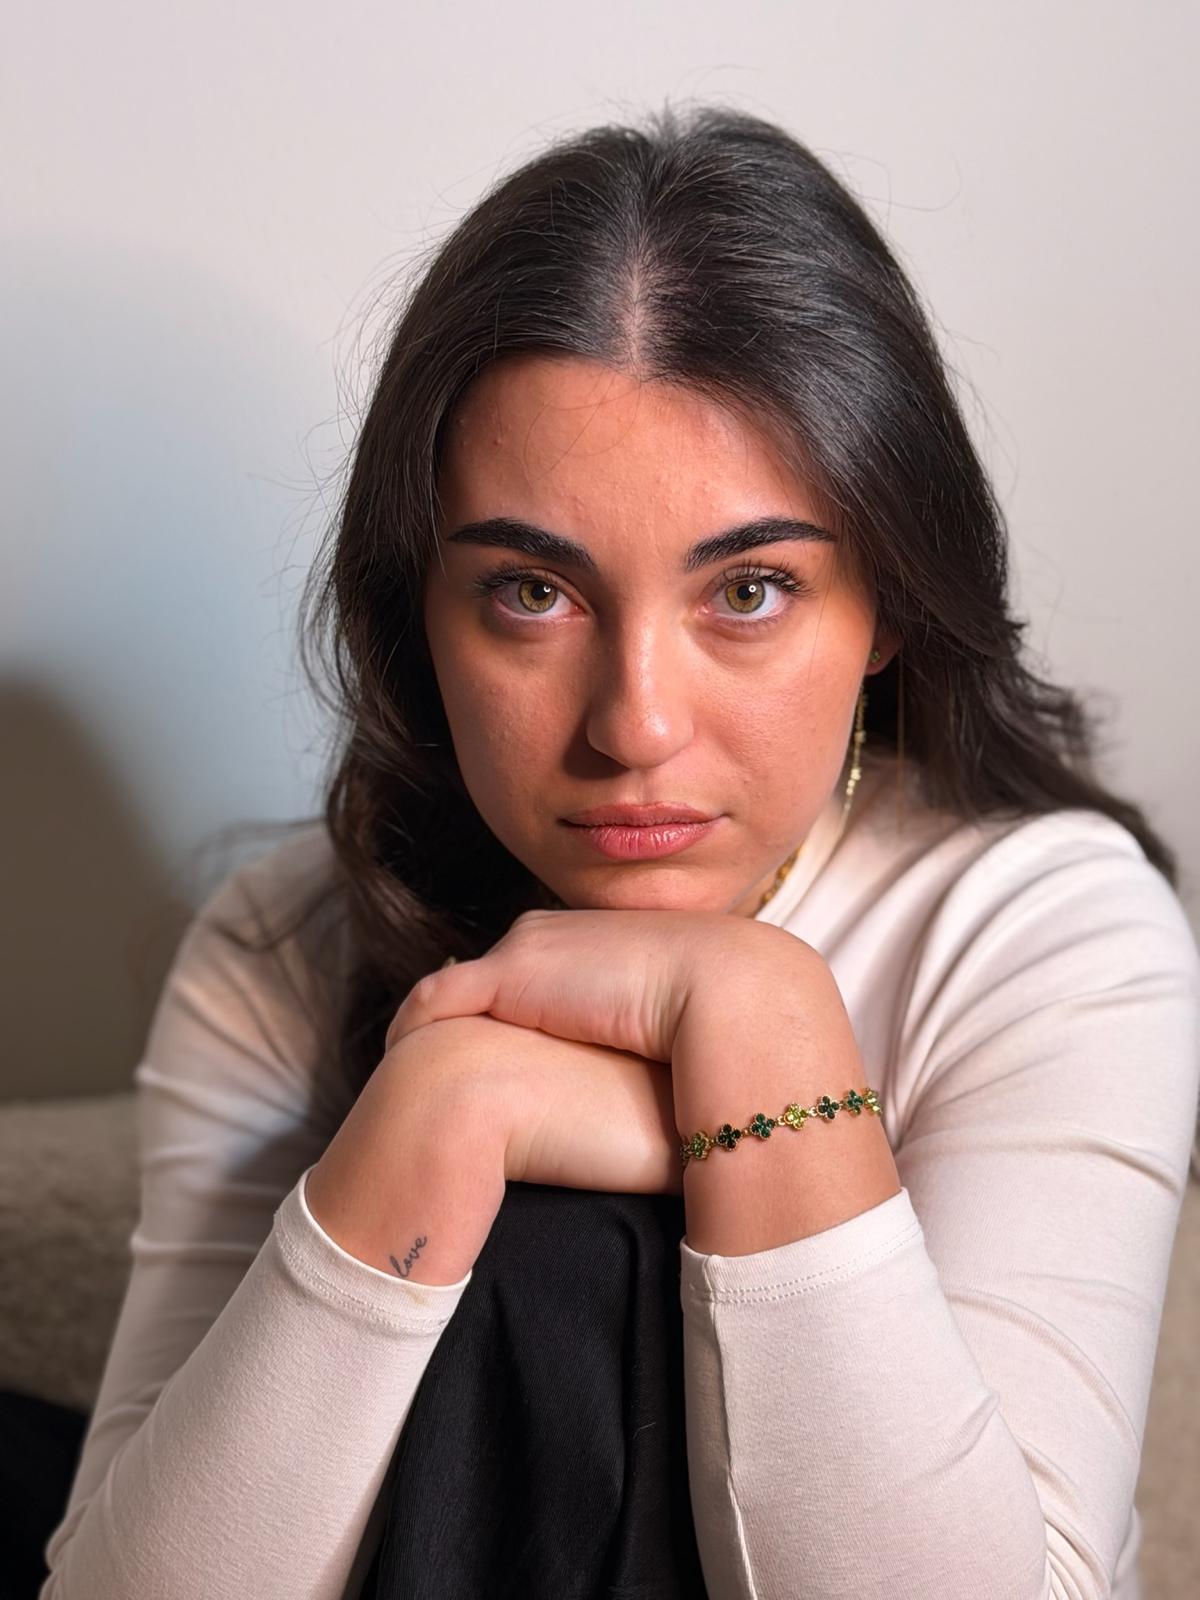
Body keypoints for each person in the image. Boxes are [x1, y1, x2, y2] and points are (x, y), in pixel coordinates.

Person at [37, 102, 1200, 1599]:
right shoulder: (286, 945)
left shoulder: (1047, 930)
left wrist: (760, 1025)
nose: (635, 726)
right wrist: (444, 1111)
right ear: (420, 617)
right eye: (532, 592)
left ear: (891, 605)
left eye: (750, 590)